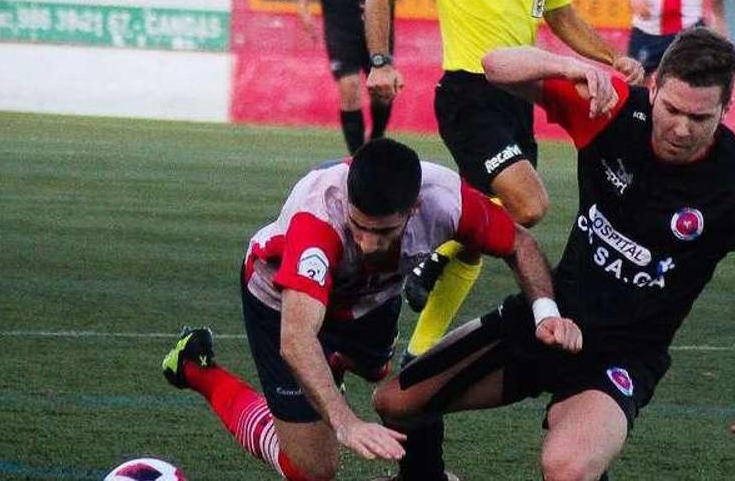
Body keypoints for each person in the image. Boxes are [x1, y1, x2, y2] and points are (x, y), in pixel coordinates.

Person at [372, 29, 735, 480]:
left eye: (701, 117)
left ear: (726, 110)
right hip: (545, 314)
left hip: (622, 357)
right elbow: (494, 64)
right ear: (653, 88)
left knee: (567, 467)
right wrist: (566, 66)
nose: (681, 128)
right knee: (394, 402)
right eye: (671, 109)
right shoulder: (609, 110)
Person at [161, 139, 558, 481]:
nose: (368, 244)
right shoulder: (318, 220)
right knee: (313, 469)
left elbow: (519, 244)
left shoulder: (446, 201)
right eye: (359, 226)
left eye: (383, 231)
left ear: (415, 207)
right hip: (279, 299)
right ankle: (195, 368)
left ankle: (328, 369)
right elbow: (297, 338)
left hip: (371, 298)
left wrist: (545, 313)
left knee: (377, 371)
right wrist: (345, 422)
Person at [362, 0, 642, 386]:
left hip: (519, 98)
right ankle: (432, 258)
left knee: (476, 240)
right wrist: (379, 61)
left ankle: (418, 356)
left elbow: (562, 16)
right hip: (468, 95)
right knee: (529, 205)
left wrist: (613, 57)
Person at [296, 0, 407, 154]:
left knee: (382, 92)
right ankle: (358, 158)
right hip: (338, 12)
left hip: (375, 12)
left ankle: (376, 135)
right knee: (349, 85)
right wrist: (303, 6)